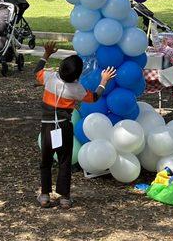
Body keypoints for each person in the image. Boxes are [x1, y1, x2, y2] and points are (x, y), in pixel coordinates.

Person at [34, 42, 116, 209]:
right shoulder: (76, 89)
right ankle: (64, 198)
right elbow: (94, 98)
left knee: (46, 161)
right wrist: (103, 80)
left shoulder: (49, 78)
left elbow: (37, 72)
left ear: (61, 68)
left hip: (47, 127)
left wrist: (46, 54)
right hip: (64, 127)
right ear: (77, 75)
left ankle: (44, 196)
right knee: (64, 162)